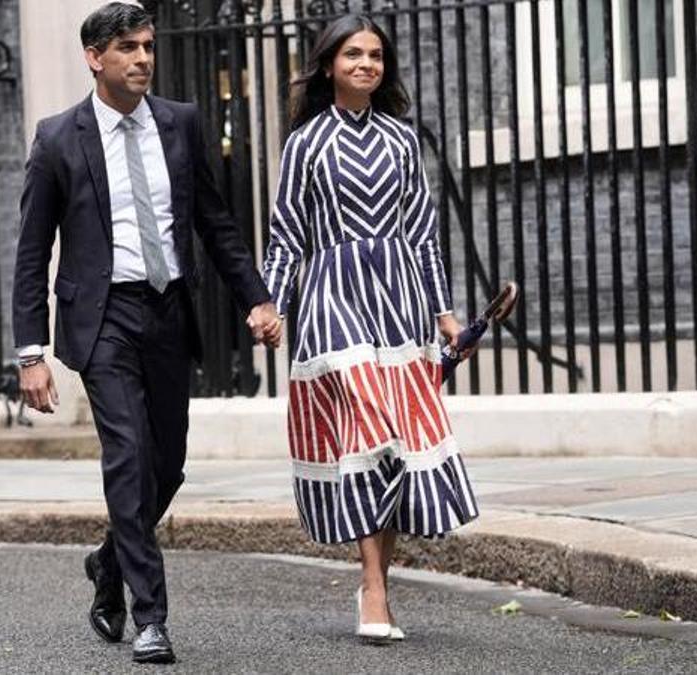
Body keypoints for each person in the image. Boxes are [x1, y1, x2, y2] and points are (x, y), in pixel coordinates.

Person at [11, 2, 280, 664]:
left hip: (167, 312)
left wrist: (258, 297)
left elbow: (215, 224)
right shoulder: (57, 138)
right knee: (128, 456)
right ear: (94, 57)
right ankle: (150, 614)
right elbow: (30, 252)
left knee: (168, 466)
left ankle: (108, 563)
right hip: (101, 320)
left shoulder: (180, 124)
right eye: (127, 48)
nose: (142, 59)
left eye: (147, 46)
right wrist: (30, 353)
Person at [260, 14, 478, 643]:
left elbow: (422, 233)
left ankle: (377, 579)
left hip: (400, 301)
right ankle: (374, 585)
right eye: (353, 54)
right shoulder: (304, 143)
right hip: (333, 303)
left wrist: (444, 315)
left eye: (376, 56)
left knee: (397, 446)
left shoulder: (403, 141)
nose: (366, 65)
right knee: (364, 429)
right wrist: (272, 304)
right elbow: (286, 236)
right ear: (328, 64)